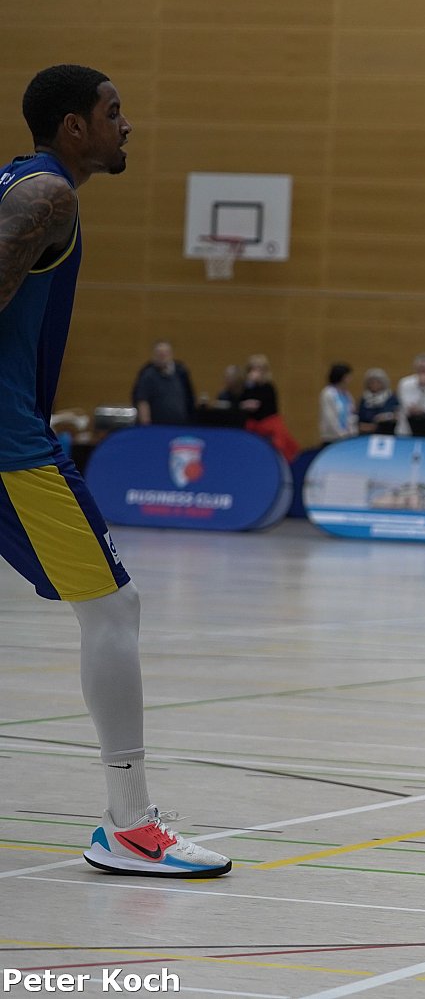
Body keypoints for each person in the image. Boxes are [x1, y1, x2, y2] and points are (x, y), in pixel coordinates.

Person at [0, 64, 229, 877]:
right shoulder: (47, 194)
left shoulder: (17, 184)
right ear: (74, 126)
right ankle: (129, 826)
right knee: (112, 607)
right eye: (113, 111)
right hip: (10, 446)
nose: (126, 124)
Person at [240, 353, 299, 459]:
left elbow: (259, 404)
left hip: (268, 425)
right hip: (252, 426)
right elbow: (242, 401)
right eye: (253, 369)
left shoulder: (269, 387)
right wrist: (250, 385)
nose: (255, 372)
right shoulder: (246, 387)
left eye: (259, 369)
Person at [130, 339, 194, 426]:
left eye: (165, 353)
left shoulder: (181, 372)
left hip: (180, 425)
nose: (162, 356)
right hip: (157, 426)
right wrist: (145, 424)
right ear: (154, 355)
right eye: (159, 354)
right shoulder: (148, 375)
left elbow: (189, 397)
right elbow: (142, 401)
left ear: (171, 354)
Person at [318, 362, 357, 444]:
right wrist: (341, 434)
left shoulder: (347, 394)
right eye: (348, 376)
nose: (350, 379)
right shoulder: (328, 393)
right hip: (332, 438)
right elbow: (330, 417)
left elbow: (351, 414)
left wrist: (352, 432)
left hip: (347, 437)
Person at [356, 367, 400, 434]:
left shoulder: (391, 398)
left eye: (378, 382)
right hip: (366, 433)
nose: (375, 385)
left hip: (387, 432)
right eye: (371, 382)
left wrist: (385, 417)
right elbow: (359, 417)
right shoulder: (364, 399)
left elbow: (397, 415)